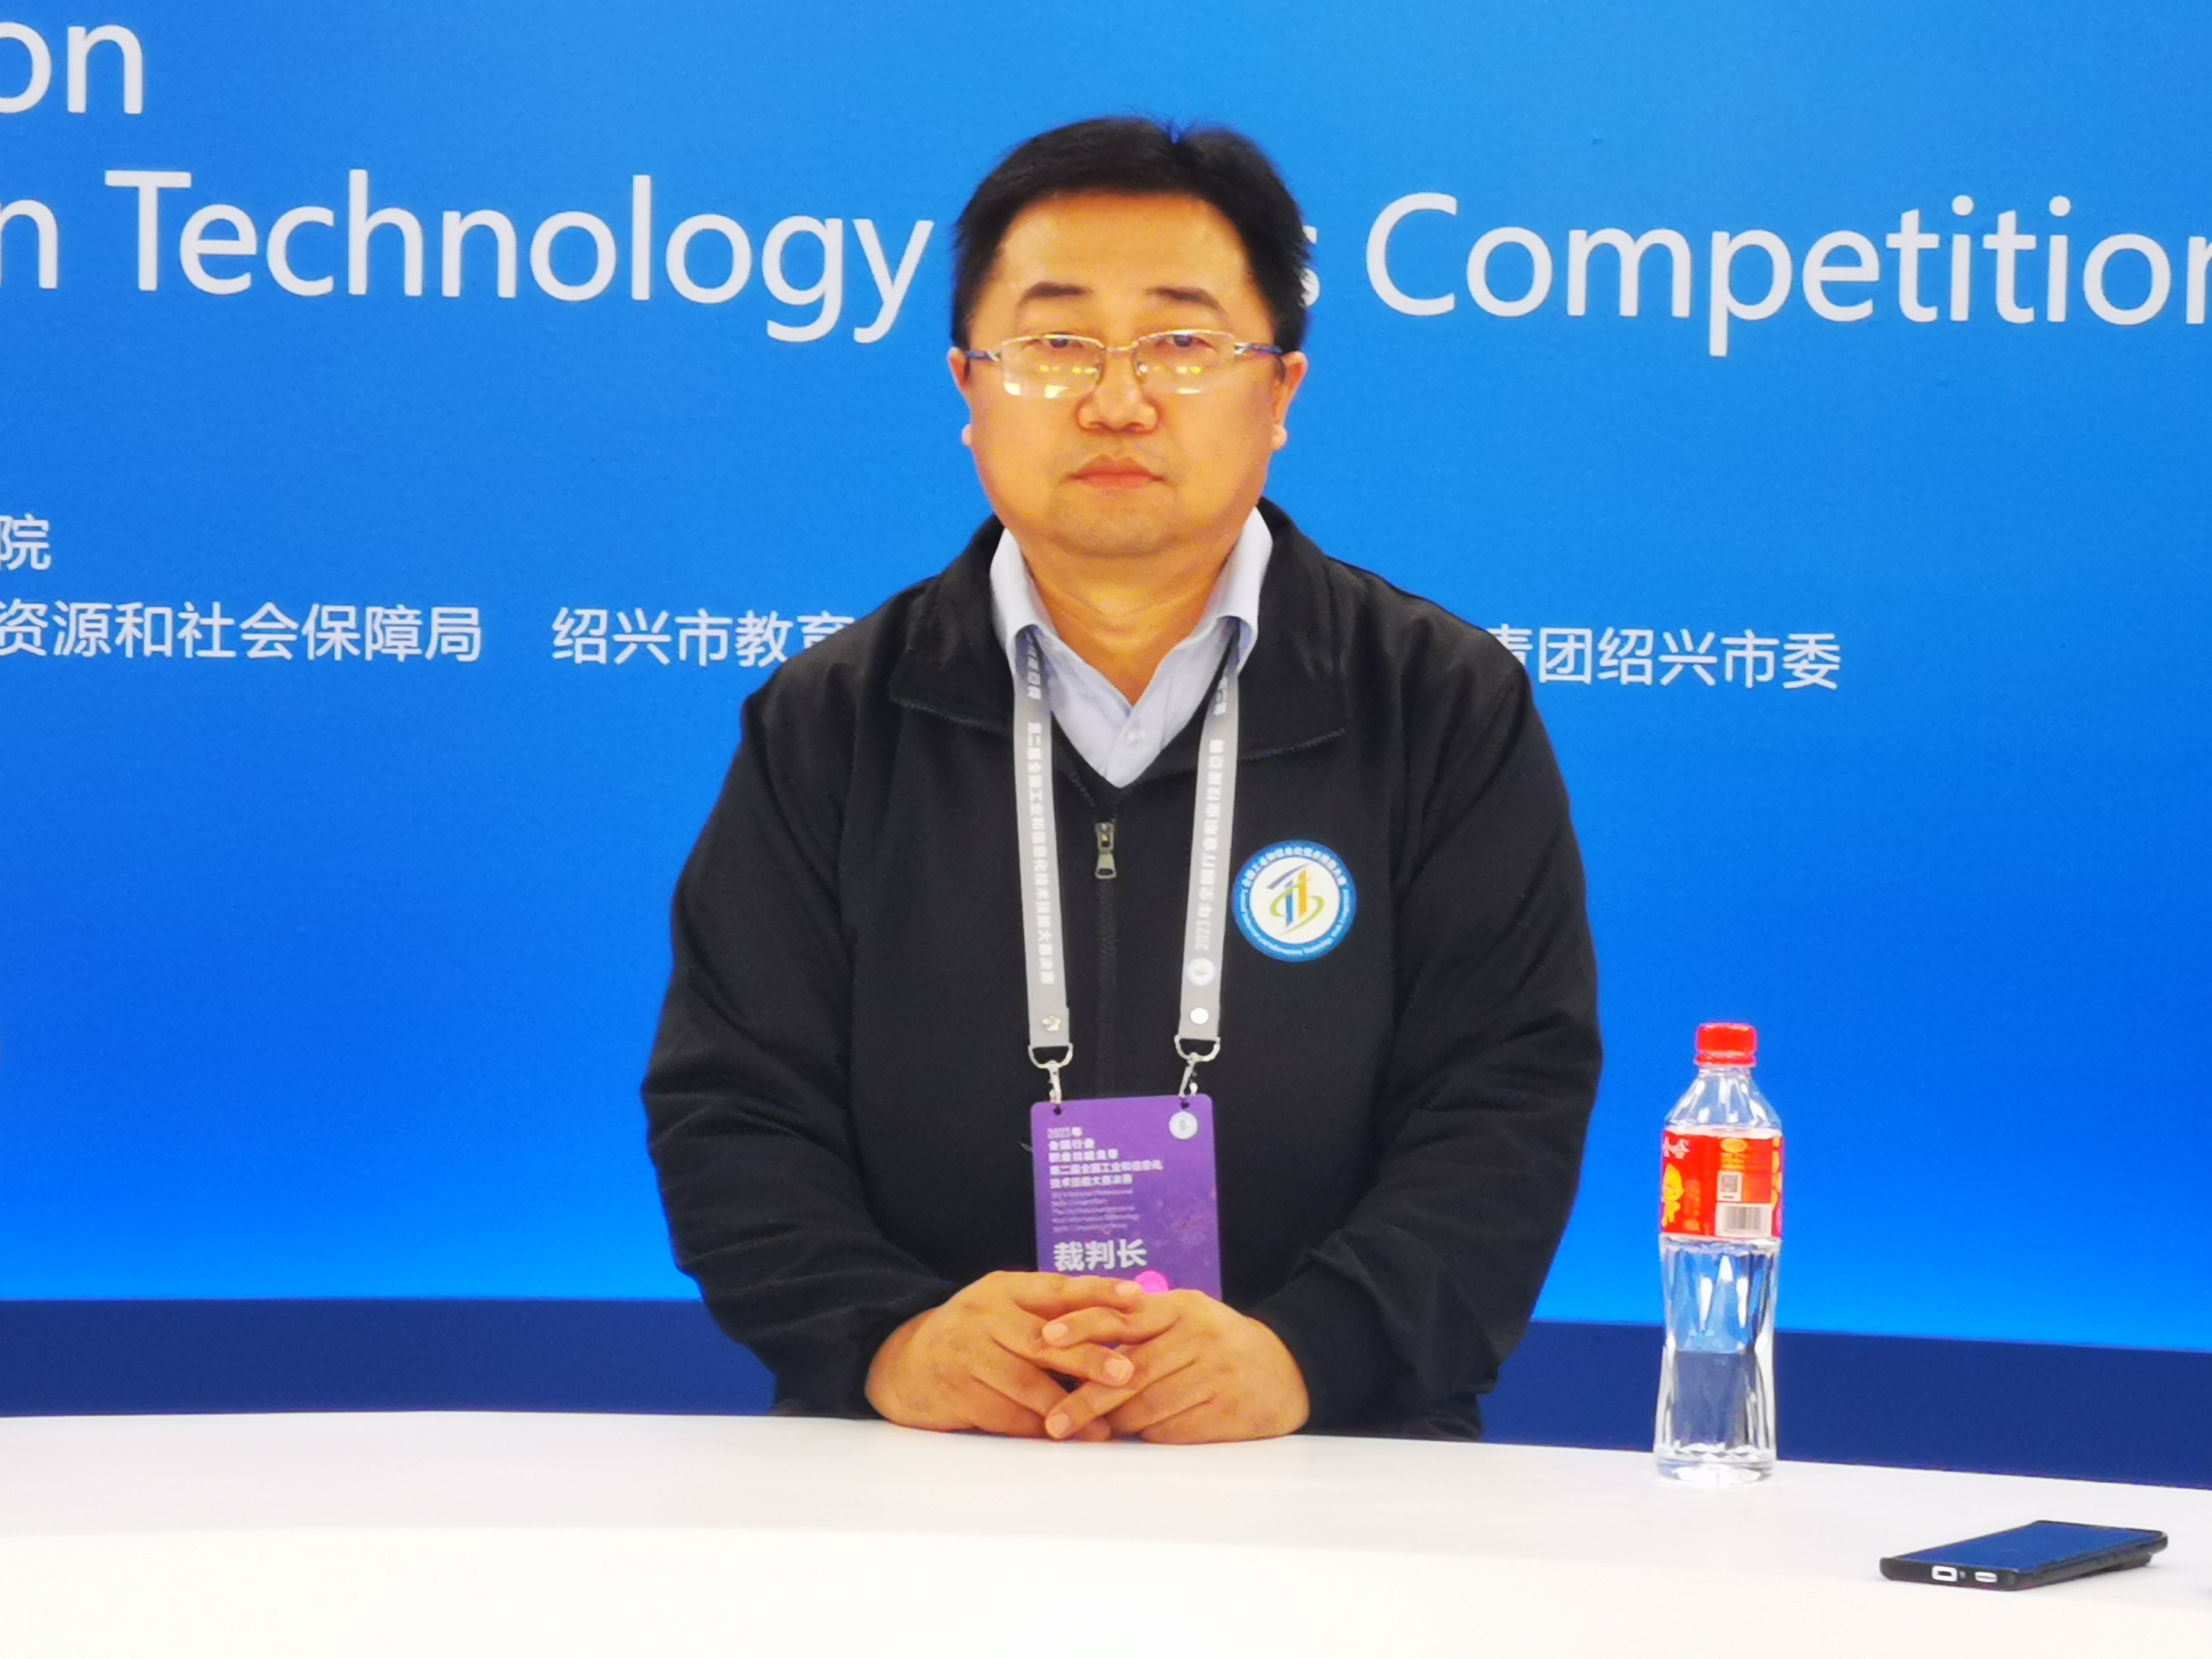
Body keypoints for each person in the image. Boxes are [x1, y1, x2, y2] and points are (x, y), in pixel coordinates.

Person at [643, 118, 1600, 1444]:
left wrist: (1307, 1355)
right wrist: (891, 1340)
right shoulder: (834, 722)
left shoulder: (1436, 704)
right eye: (1055, 344)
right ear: (969, 389)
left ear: (1281, 392)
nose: (1116, 400)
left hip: (1326, 1448)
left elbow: (1507, 1093)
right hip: (926, 1452)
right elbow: (733, 1102)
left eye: (1181, 343)